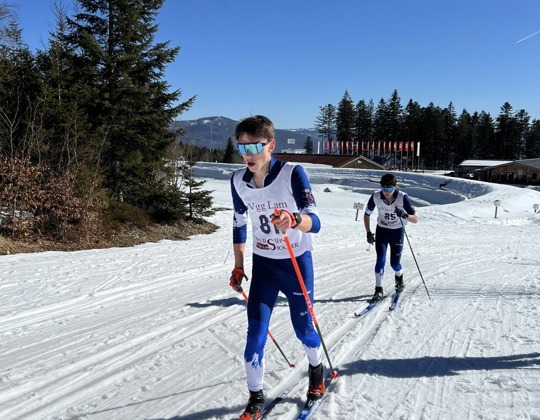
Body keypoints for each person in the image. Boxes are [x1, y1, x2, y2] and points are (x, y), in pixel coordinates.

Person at [229, 115, 324, 420]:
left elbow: (316, 221)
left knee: (304, 330)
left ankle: (316, 368)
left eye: (255, 145)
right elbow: (238, 223)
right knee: (255, 333)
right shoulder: (237, 181)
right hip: (265, 267)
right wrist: (239, 266)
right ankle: (255, 397)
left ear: (270, 145)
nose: (248, 154)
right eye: (242, 146)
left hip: (296, 262)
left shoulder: (292, 173)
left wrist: (295, 220)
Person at [364, 173, 419, 302]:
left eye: (389, 189)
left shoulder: (403, 197)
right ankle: (378, 289)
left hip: (397, 232)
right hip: (382, 231)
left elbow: (416, 219)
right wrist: (368, 232)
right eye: (383, 188)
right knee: (380, 260)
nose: (386, 192)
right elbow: (366, 215)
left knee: (394, 263)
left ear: (394, 187)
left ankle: (399, 278)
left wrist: (405, 215)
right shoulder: (376, 196)